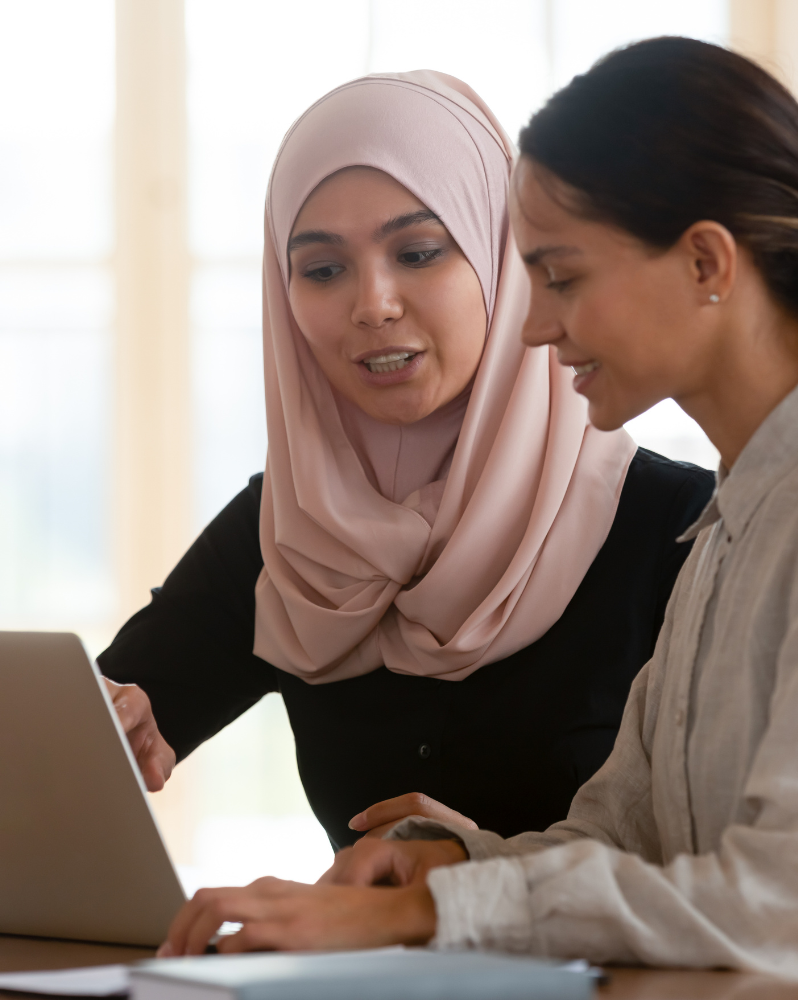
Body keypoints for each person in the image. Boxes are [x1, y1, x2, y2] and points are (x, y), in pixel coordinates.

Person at [156, 39, 798, 975]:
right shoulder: (731, 529)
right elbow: (626, 840)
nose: (532, 324)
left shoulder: (714, 519)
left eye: (564, 277)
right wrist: (452, 862)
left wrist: (416, 917)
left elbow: (778, 903)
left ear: (706, 261)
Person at [99, 71, 711, 853]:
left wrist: (478, 877)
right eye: (322, 270)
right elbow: (105, 720)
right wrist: (108, 723)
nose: (372, 304)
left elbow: (738, 869)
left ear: (507, 260)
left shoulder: (687, 533)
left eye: (419, 252)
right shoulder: (288, 529)